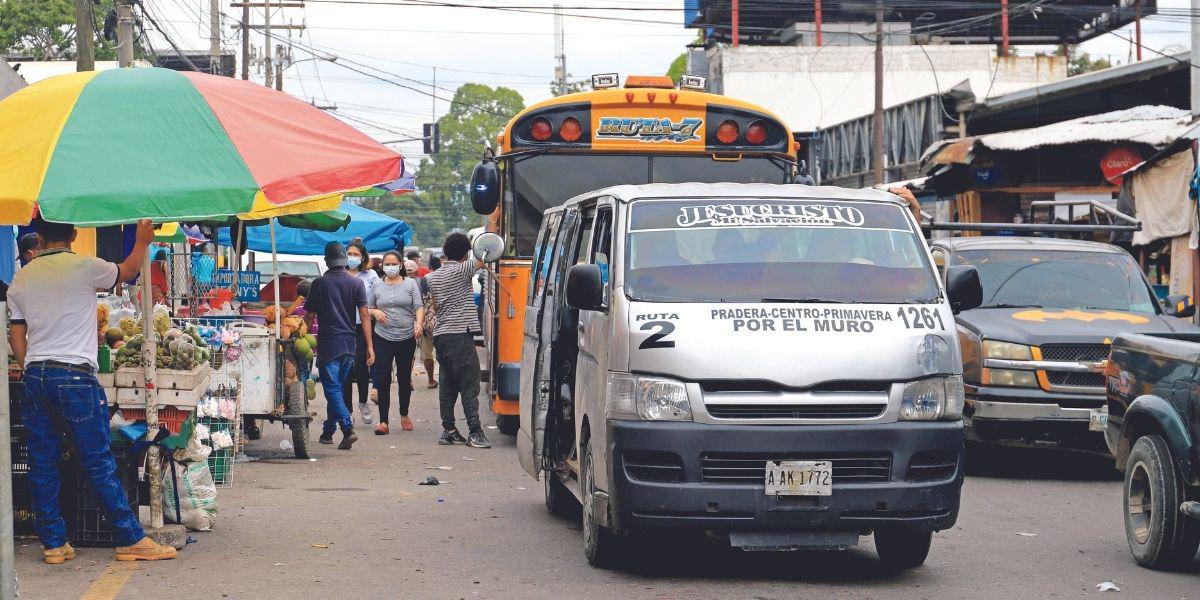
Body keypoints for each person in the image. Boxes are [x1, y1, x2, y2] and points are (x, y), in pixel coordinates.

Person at [8, 216, 176, 564]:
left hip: (36, 375)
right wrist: (143, 239)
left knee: (42, 461)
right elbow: (128, 270)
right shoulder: (85, 267)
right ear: (73, 234)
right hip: (74, 377)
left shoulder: (21, 277)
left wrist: (29, 368)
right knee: (97, 459)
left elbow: (17, 334)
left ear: (38, 237)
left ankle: (54, 544)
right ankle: (129, 537)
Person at [303, 242, 374, 450]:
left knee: (332, 389)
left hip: (328, 343)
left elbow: (309, 316)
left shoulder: (319, 284)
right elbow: (364, 315)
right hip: (350, 344)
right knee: (338, 389)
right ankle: (328, 432)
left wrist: (302, 335)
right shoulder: (356, 284)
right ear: (344, 260)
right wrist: (370, 346)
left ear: (327, 260)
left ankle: (347, 427)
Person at [426, 233, 489, 448]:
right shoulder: (462, 270)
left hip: (441, 336)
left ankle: (449, 430)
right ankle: (475, 432)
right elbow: (485, 257)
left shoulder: (433, 276)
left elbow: (434, 305)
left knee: (448, 384)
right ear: (465, 253)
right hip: (460, 334)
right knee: (469, 384)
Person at [368, 251, 424, 434]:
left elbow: (419, 306)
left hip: (406, 337)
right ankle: (383, 421)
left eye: (394, 264)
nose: (390, 267)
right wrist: (374, 312)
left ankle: (404, 414)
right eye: (387, 264)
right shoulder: (377, 285)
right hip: (382, 337)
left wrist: (419, 323)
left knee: (403, 377)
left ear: (400, 265)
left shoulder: (410, 284)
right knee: (383, 377)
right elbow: (368, 307)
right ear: (382, 266)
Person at [344, 239, 379, 426]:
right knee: (346, 368)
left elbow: (377, 299)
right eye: (349, 254)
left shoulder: (371, 276)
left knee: (361, 365)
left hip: (363, 325)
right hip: (343, 326)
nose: (352, 257)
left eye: (355, 254)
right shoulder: (340, 274)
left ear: (363, 257)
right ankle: (348, 410)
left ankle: (363, 402)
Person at [412, 259, 438, 389]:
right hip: (427, 323)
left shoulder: (398, 284)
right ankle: (430, 380)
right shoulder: (424, 281)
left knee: (409, 353)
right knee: (430, 354)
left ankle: (408, 381)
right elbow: (434, 303)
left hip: (408, 324)